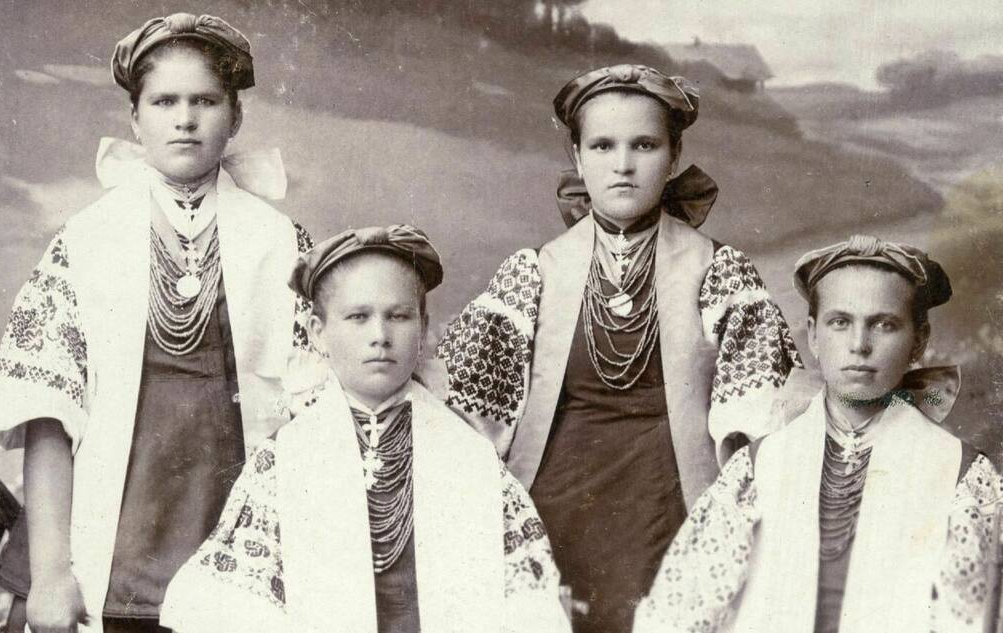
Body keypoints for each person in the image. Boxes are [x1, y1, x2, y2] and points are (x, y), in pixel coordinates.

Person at [436, 64, 801, 633]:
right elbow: (457, 416)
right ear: (578, 158)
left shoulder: (719, 273)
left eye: (645, 145)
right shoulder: (534, 273)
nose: (623, 164)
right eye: (602, 145)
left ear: (674, 157)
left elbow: (761, 425)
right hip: (554, 518)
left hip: (673, 515)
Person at [0, 13, 313, 633]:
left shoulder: (282, 244)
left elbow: (314, 409)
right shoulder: (86, 241)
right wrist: (53, 573)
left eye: (205, 101)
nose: (184, 118)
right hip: (106, 533)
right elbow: (49, 414)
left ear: (235, 116)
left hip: (230, 528)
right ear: (136, 118)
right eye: (164, 101)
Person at [158, 225, 572, 633]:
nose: (380, 336)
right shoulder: (284, 461)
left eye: (399, 316)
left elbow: (521, 603)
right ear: (318, 333)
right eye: (358, 317)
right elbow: (241, 603)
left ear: (423, 328)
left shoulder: (469, 457)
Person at [633, 234, 1001, 633]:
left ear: (919, 341)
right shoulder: (757, 470)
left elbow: (972, 620)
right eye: (840, 323)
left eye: (884, 324)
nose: (859, 345)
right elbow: (677, 613)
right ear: (812, 334)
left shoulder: (962, 478)